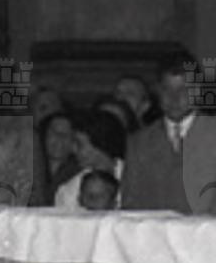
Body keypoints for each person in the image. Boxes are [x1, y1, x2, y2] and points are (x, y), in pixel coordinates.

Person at [120, 52, 197, 211]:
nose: (174, 98)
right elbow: (131, 202)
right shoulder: (139, 143)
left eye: (183, 90)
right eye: (167, 90)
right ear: (157, 92)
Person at [54, 111, 123, 211]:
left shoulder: (136, 178)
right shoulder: (69, 192)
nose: (73, 149)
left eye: (79, 144)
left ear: (100, 146)